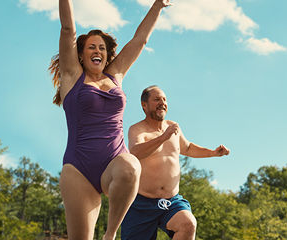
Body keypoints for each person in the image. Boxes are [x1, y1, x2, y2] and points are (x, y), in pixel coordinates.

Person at [49, 0, 171, 239]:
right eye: (92, 47)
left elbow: (140, 40)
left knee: (131, 167)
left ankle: (110, 234)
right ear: (81, 55)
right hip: (78, 169)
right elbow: (67, 30)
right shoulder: (72, 76)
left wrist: (157, 5)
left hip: (114, 161)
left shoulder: (115, 75)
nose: (98, 51)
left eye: (102, 48)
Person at [123, 86, 231, 240]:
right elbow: (135, 152)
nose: (162, 103)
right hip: (142, 203)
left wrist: (213, 153)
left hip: (171, 201)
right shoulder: (137, 130)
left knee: (188, 224)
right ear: (144, 105)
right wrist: (163, 138)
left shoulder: (173, 127)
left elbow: (187, 148)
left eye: (164, 99)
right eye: (157, 99)